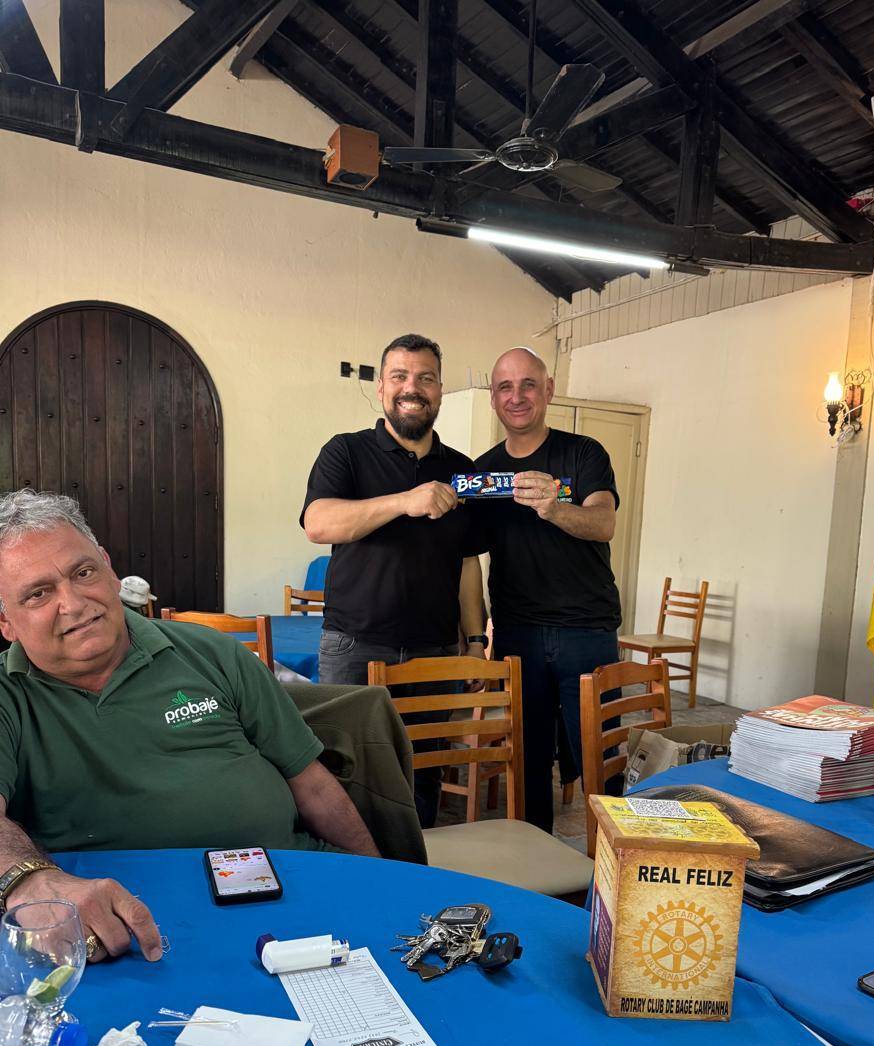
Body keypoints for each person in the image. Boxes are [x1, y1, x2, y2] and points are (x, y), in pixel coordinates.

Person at [0, 489, 379, 965]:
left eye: (83, 572)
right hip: (130, 933)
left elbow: (311, 782)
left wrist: (378, 879)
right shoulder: (7, 693)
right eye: (38, 593)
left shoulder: (211, 652)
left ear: (110, 569)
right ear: (5, 622)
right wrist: (30, 882)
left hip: (291, 890)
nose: (74, 603)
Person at [301, 333, 486, 828]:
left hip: (435, 651)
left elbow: (468, 562)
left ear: (440, 390)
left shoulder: (461, 470)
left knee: (422, 776)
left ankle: (415, 860)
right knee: (341, 775)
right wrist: (405, 501)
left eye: (426, 378)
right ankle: (351, 867)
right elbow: (318, 523)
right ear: (381, 387)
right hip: (354, 645)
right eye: (400, 376)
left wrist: (475, 640)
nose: (412, 388)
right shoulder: (346, 451)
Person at [474, 347, 621, 833]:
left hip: (586, 631)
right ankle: (534, 860)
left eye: (528, 385)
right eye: (505, 387)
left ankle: (615, 862)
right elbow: (465, 553)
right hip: (518, 634)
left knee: (602, 761)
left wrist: (554, 507)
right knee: (527, 763)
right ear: (493, 398)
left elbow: (604, 522)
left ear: (549, 390)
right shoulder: (484, 472)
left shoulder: (584, 452)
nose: (517, 397)